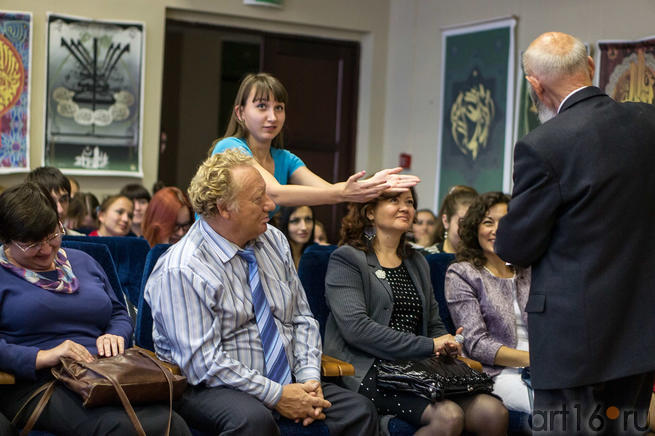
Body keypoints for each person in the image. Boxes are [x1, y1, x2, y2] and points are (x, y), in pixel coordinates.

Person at [144, 150, 379, 436]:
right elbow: (203, 363)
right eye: (258, 199)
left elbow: (302, 317)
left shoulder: (273, 240)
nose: (271, 205)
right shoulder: (182, 268)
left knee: (359, 411)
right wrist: (277, 395)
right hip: (211, 387)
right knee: (254, 422)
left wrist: (309, 383)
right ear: (224, 208)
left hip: (290, 377)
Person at [495, 32, 655, 434]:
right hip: (639, 327)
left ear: (535, 84)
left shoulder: (543, 144)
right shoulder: (647, 122)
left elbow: (516, 245)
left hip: (573, 340)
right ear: (590, 68)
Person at [0, 182, 190, 436]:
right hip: (38, 381)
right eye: (31, 244)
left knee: (172, 423)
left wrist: (116, 334)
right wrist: (44, 356)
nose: (46, 250)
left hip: (103, 372)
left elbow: (119, 313)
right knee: (123, 428)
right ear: (6, 240)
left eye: (51, 235)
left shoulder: (82, 261)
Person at [323, 188, 508, 435]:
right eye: (393, 201)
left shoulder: (417, 261)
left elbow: (433, 323)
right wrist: (430, 345)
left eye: (409, 202)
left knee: (493, 413)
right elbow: (357, 329)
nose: (405, 207)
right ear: (369, 212)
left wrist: (448, 343)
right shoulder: (348, 258)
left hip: (417, 369)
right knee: (448, 417)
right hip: (367, 369)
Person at [210, 72, 419, 210]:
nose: (272, 117)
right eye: (262, 106)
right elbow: (275, 193)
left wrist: (372, 186)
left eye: (279, 108)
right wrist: (344, 193)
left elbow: (328, 190)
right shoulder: (229, 147)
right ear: (240, 113)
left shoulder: (285, 159)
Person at [445, 192, 531, 414]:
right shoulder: (463, 273)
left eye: (505, 222)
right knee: (555, 408)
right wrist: (532, 360)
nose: (496, 230)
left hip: (547, 365)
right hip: (498, 372)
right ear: (475, 228)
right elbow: (475, 343)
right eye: (487, 222)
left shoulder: (528, 268)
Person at [26, 166, 83, 236]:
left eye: (64, 200)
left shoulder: (80, 239)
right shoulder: (21, 244)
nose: (60, 210)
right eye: (51, 201)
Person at [434, 185, 478, 253]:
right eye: (463, 223)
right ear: (446, 221)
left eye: (474, 223)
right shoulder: (428, 258)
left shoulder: (484, 260)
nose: (468, 231)